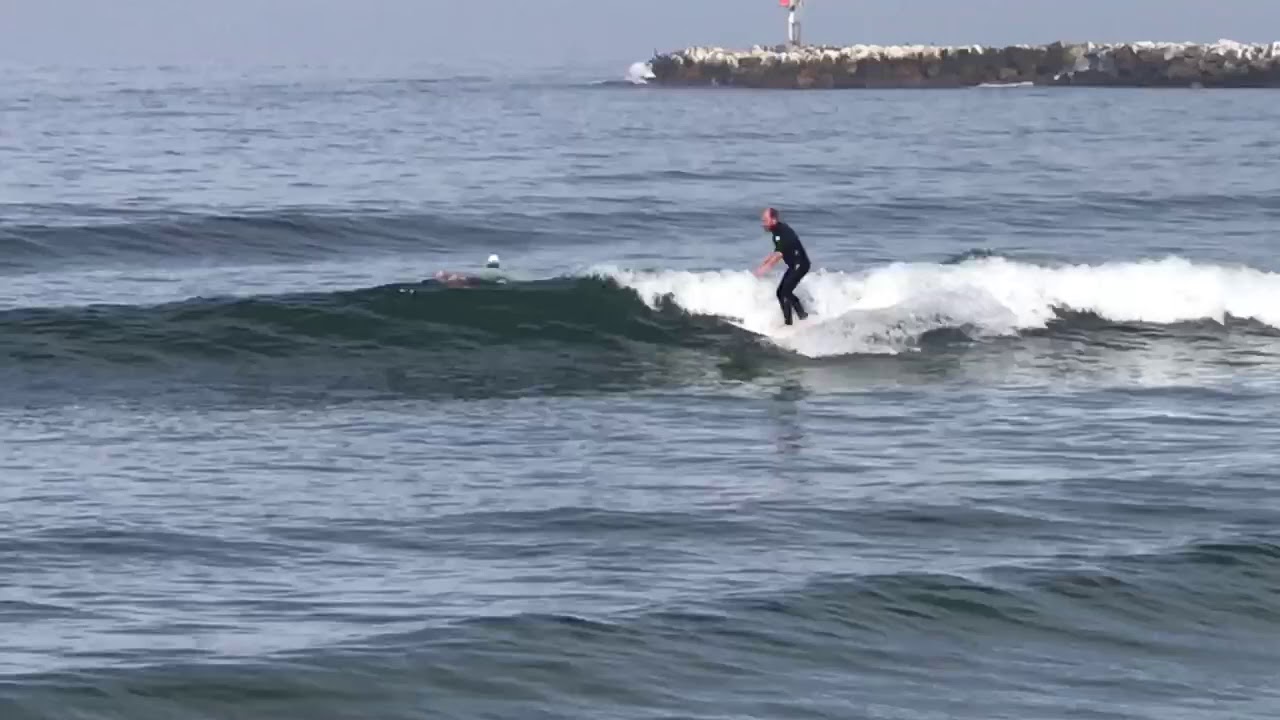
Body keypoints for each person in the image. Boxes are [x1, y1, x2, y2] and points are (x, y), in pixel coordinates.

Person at [753, 207, 810, 325]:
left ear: (773, 220)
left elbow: (779, 254)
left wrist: (764, 269)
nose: (763, 224)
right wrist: (764, 263)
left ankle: (790, 323)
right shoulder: (777, 232)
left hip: (800, 265)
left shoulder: (782, 232)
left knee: (784, 292)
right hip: (795, 265)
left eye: (765, 220)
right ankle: (802, 316)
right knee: (782, 292)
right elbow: (778, 250)